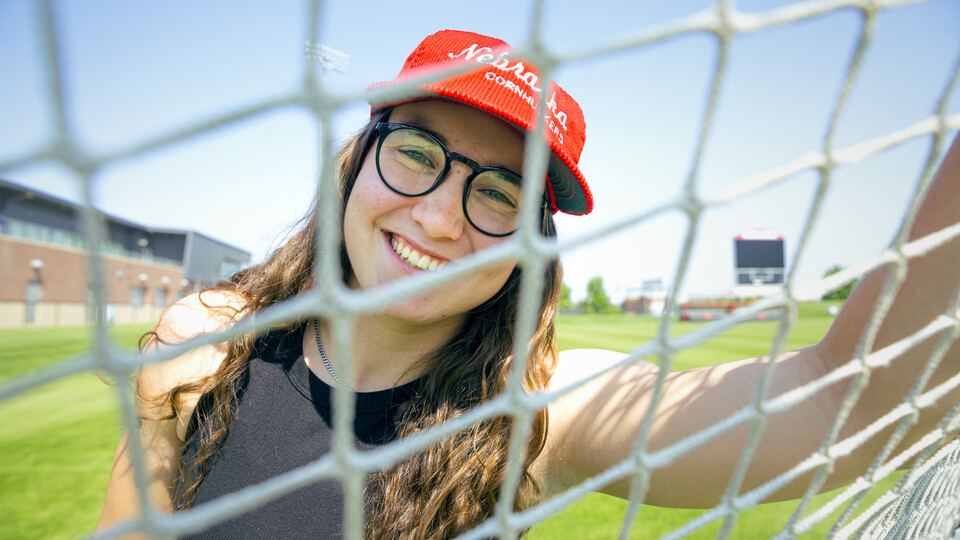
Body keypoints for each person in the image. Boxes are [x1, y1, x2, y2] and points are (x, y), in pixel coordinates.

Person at [96, 29, 960, 539]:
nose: (440, 219)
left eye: (501, 194)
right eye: (417, 156)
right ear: (355, 165)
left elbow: (845, 405)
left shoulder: (534, 410)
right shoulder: (210, 339)